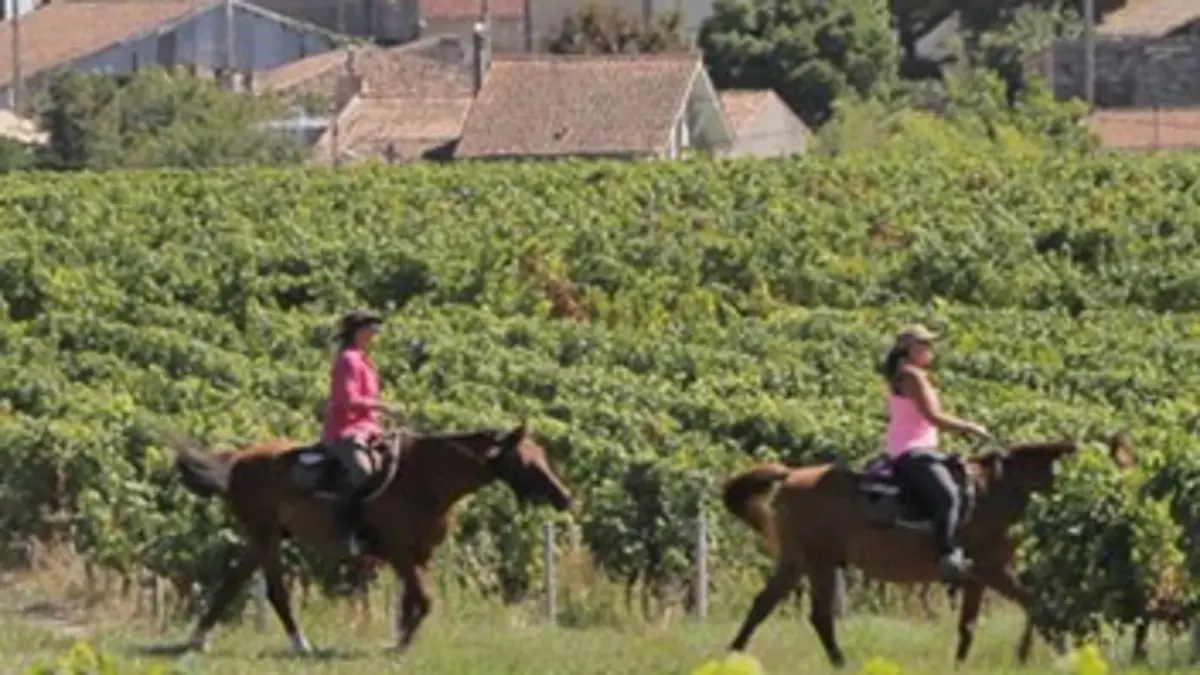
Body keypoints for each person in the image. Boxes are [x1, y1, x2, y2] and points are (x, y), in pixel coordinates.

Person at [879, 324, 991, 583]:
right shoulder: (911, 377)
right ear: (908, 350)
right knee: (948, 497)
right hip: (911, 450)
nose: (930, 349)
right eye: (924, 345)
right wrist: (970, 427)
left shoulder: (911, 375)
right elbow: (933, 416)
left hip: (923, 447)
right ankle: (946, 555)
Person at [321, 310, 404, 557]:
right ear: (358, 332)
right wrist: (383, 407)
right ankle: (345, 529)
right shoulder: (348, 360)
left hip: (370, 429)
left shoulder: (365, 361)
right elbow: (348, 400)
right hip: (346, 431)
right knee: (362, 471)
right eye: (371, 329)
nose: (375, 335)